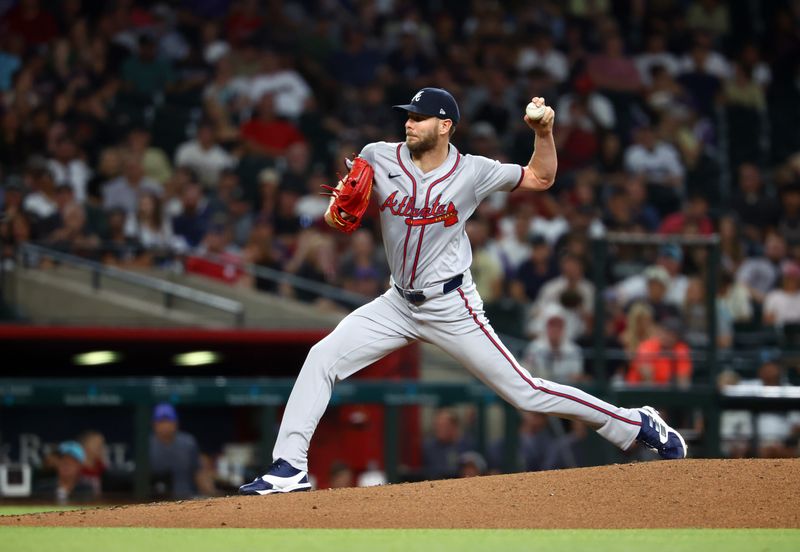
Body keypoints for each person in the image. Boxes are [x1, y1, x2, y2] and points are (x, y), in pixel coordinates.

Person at [239, 88, 686, 496]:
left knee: (526, 392)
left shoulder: (473, 171)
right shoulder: (378, 155)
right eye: (407, 116)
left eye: (419, 117)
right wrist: (336, 211)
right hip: (396, 302)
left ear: (445, 125)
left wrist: (544, 132)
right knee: (322, 357)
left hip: (452, 305)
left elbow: (541, 178)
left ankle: (636, 423)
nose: (409, 123)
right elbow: (340, 209)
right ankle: (290, 467)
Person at [149, 403, 201, 500]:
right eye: (161, 421)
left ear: (176, 423)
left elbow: (198, 472)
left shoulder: (188, 442)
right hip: (154, 500)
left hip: (186, 499)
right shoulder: (146, 445)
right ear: (154, 424)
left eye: (168, 421)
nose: (165, 425)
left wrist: (212, 494)